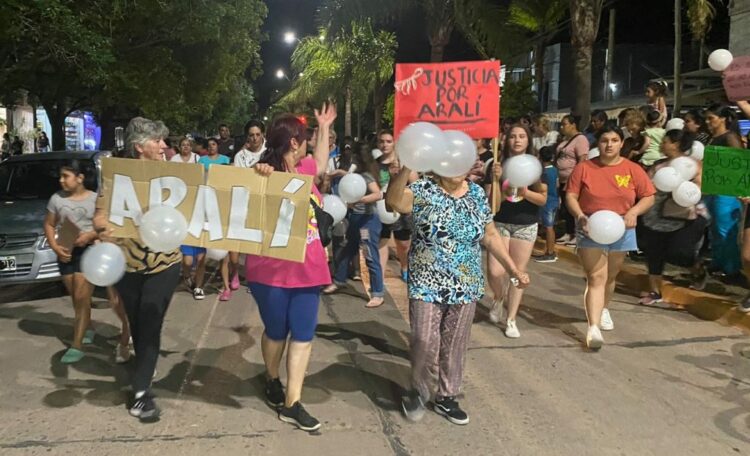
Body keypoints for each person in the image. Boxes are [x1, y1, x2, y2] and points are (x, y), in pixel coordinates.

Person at [385, 157, 530, 426]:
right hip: (426, 279)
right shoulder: (423, 189)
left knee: (454, 343)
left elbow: (490, 235)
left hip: (465, 282)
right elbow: (393, 202)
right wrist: (406, 167)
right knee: (423, 340)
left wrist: (513, 269)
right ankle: (418, 388)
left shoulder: (475, 193)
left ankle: (447, 396)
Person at [245, 103, 336, 432]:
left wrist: (324, 126)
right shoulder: (262, 174)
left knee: (303, 334)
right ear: (294, 143)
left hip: (308, 268)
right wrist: (260, 177)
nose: (310, 143)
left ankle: (292, 402)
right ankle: (271, 378)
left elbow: (323, 161)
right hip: (269, 271)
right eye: (306, 138)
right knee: (275, 331)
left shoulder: (306, 170)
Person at [94, 117, 182, 422]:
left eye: (163, 141)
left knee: (151, 316)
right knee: (138, 324)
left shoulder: (176, 176)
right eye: (157, 141)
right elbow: (100, 215)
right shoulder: (116, 178)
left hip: (165, 264)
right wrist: (103, 228)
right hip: (128, 267)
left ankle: (141, 393)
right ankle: (146, 361)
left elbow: (213, 200)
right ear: (139, 147)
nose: (164, 146)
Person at [565, 124, 655, 349]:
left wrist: (634, 211)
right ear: (598, 143)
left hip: (623, 227)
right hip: (591, 227)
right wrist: (580, 215)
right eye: (605, 140)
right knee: (596, 276)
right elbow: (571, 196)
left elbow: (648, 196)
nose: (609, 145)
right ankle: (593, 327)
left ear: (621, 143)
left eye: (614, 140)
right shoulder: (584, 168)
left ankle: (604, 307)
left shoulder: (632, 169)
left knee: (611, 275)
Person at [43, 160, 131, 364]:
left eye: (66, 176)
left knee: (83, 297)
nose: (61, 180)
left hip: (90, 253)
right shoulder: (56, 199)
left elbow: (106, 225)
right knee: (76, 298)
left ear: (80, 178)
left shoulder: (95, 199)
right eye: (61, 176)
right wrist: (55, 247)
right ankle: (88, 328)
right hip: (66, 252)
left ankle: (77, 344)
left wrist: (90, 236)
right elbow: (49, 223)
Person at [484, 125, 547, 338]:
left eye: (521, 136)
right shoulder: (495, 164)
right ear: (506, 140)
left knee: (518, 273)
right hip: (499, 223)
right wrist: (499, 181)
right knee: (495, 271)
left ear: (528, 140)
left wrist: (526, 191)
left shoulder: (537, 166)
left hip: (526, 224)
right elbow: (491, 204)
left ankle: (511, 319)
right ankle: (498, 298)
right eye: (512, 136)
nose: (517, 140)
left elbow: (543, 199)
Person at [640, 130, 708, 305]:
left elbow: (701, 187)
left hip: (685, 217)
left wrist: (682, 187)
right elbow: (645, 186)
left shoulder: (693, 165)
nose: (662, 144)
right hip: (655, 217)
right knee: (654, 253)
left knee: (680, 253)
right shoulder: (658, 165)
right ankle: (655, 291)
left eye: (666, 141)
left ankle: (697, 270)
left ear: (676, 144)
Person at [323, 142, 385, 308]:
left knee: (369, 254)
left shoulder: (366, 176)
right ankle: (339, 279)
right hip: (355, 218)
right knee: (346, 249)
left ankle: (378, 292)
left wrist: (359, 199)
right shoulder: (355, 174)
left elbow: (378, 194)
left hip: (368, 220)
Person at [704, 104, 744, 280]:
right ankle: (718, 262)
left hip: (727, 191)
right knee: (714, 228)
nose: (707, 122)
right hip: (712, 187)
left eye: (711, 118)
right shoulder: (711, 138)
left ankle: (732, 267)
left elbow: (740, 163)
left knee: (725, 228)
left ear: (723, 119)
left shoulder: (730, 137)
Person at [170, 137, 206, 299]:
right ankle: (186, 276)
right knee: (187, 261)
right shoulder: (174, 160)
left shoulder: (198, 159)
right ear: (179, 147)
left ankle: (199, 287)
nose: (185, 147)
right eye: (183, 145)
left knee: (201, 257)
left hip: (198, 208)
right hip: (182, 209)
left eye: (188, 145)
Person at [377, 129, 414, 282]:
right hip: (381, 209)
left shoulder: (403, 163)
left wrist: (400, 176)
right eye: (381, 141)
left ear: (394, 144)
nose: (384, 145)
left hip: (400, 211)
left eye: (388, 141)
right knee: (381, 243)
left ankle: (405, 267)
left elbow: (415, 184)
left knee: (404, 244)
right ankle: (379, 277)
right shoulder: (375, 163)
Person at [198, 139, 233, 300]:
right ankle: (198, 286)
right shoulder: (206, 190)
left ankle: (226, 287)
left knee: (224, 259)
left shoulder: (230, 191)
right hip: (206, 223)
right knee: (201, 258)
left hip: (222, 225)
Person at [555, 115, 589, 246]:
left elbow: (582, 159)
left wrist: (577, 177)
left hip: (572, 179)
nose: (562, 127)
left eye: (565, 124)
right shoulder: (564, 140)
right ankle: (569, 232)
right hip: (563, 179)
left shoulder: (580, 139)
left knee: (574, 207)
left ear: (573, 125)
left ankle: (577, 234)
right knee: (566, 208)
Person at [535, 146, 560, 263]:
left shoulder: (543, 172)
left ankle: (550, 252)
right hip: (554, 199)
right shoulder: (555, 170)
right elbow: (558, 185)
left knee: (548, 227)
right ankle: (550, 250)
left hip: (547, 201)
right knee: (551, 227)